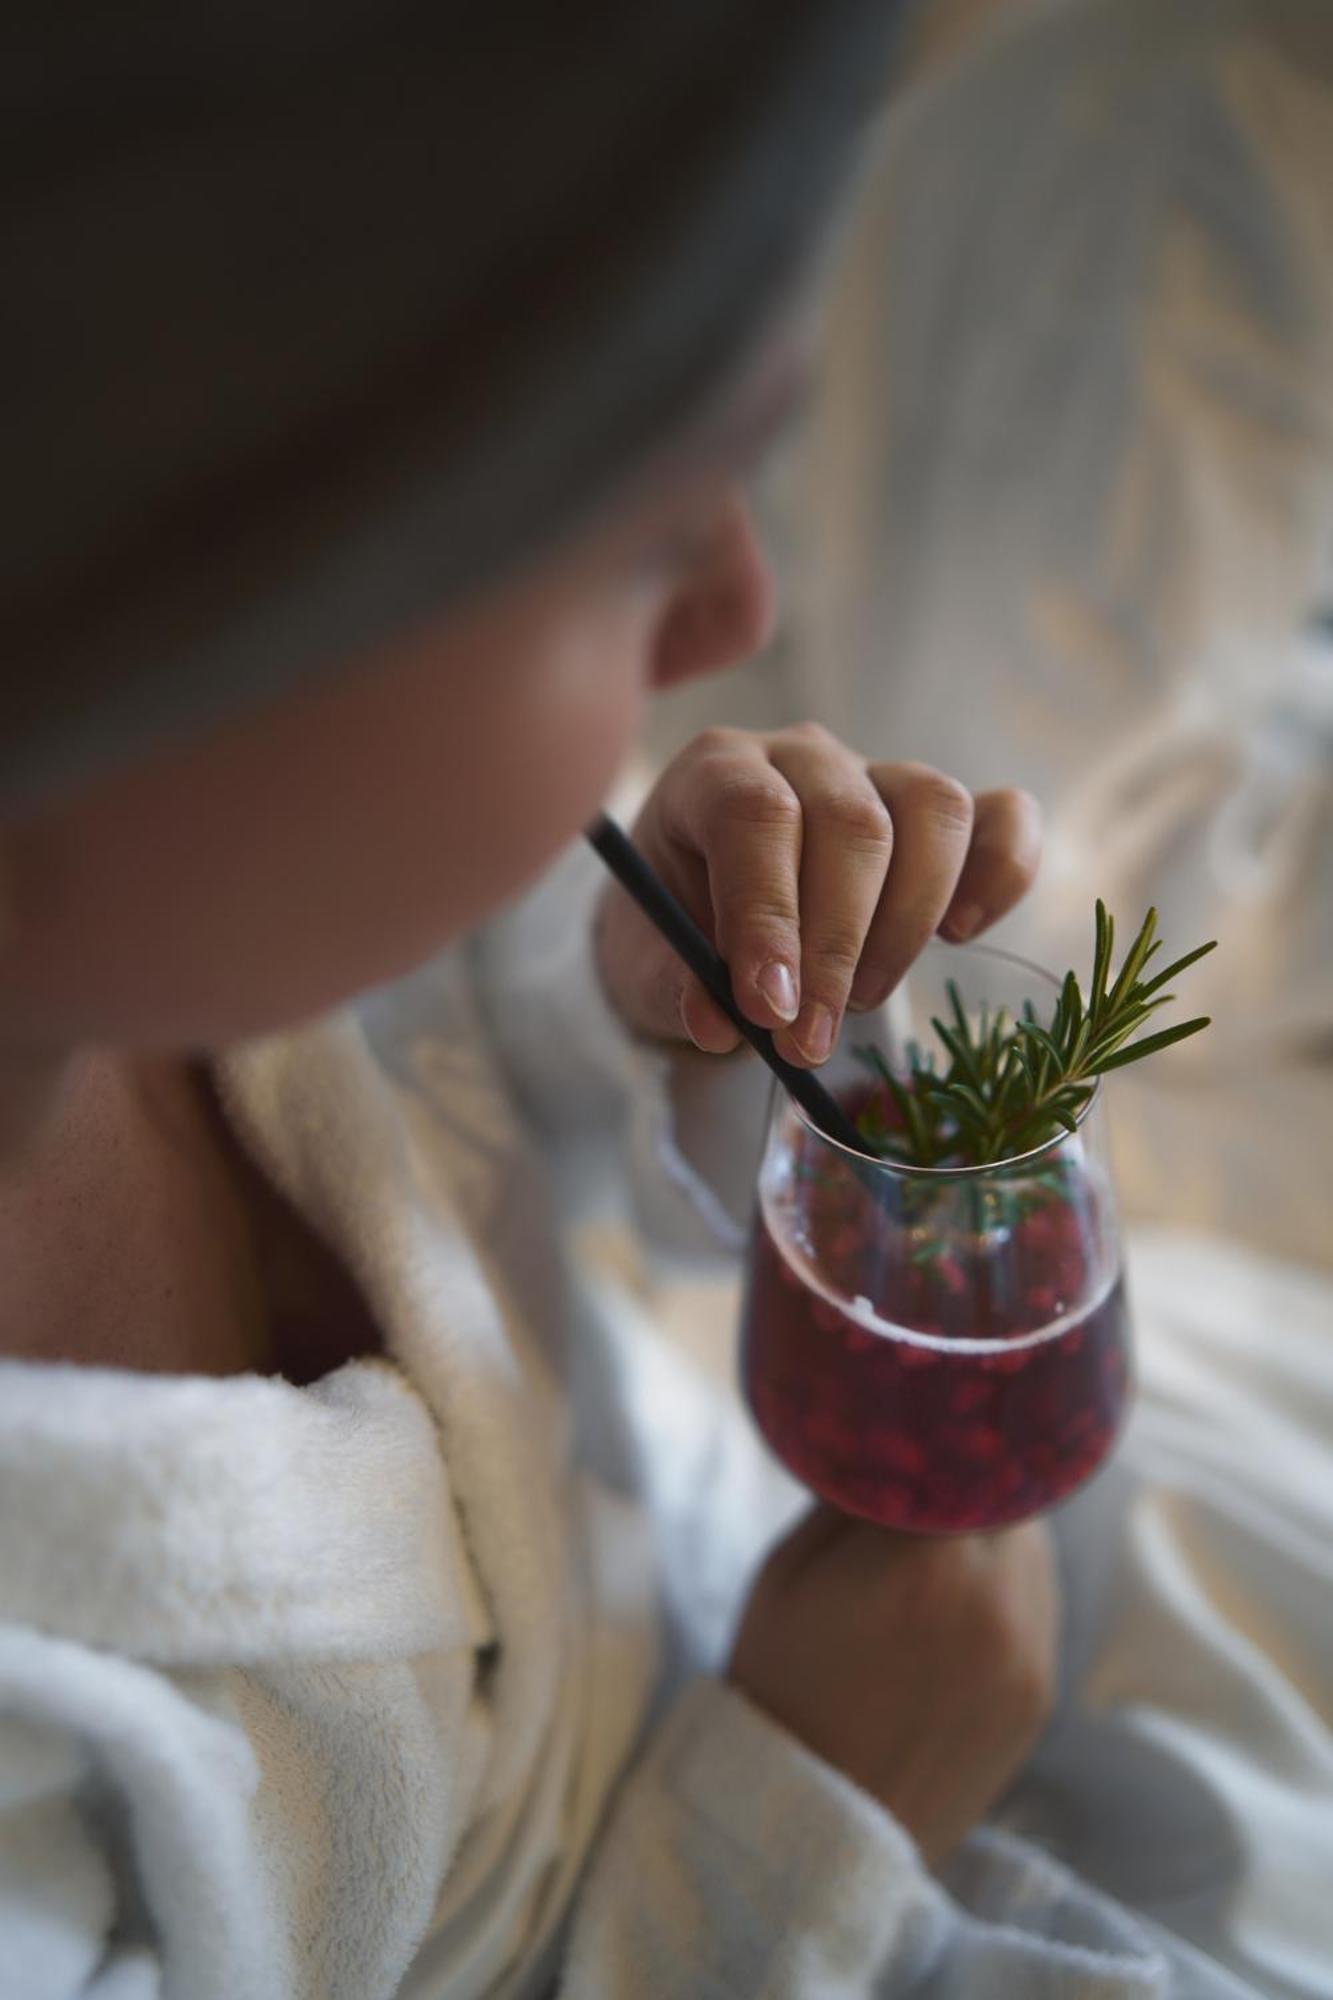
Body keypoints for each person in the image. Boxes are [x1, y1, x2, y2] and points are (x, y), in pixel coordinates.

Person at [0, 8, 1285, 1998]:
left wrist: (634, 976)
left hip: (762, 1597)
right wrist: (782, 1829)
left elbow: (438, 1025)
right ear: (164, 600)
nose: (742, 616)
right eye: (652, 530)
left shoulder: (208, 922)